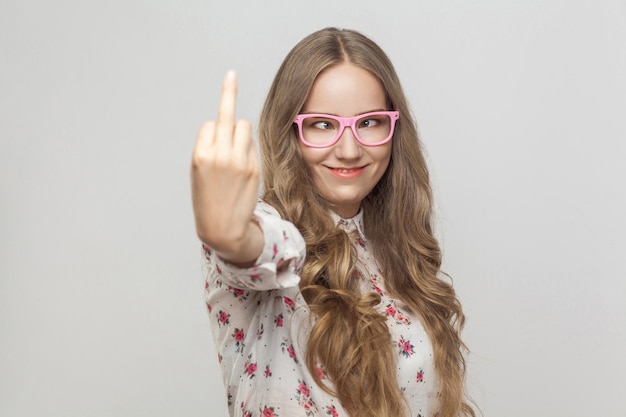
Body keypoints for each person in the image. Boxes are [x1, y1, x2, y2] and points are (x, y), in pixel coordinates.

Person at [191, 27, 475, 417]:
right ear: (290, 132)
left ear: (394, 129)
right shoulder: (273, 232)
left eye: (369, 122)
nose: (349, 149)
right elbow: (259, 248)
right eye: (322, 124)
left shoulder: (394, 248)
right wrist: (228, 234)